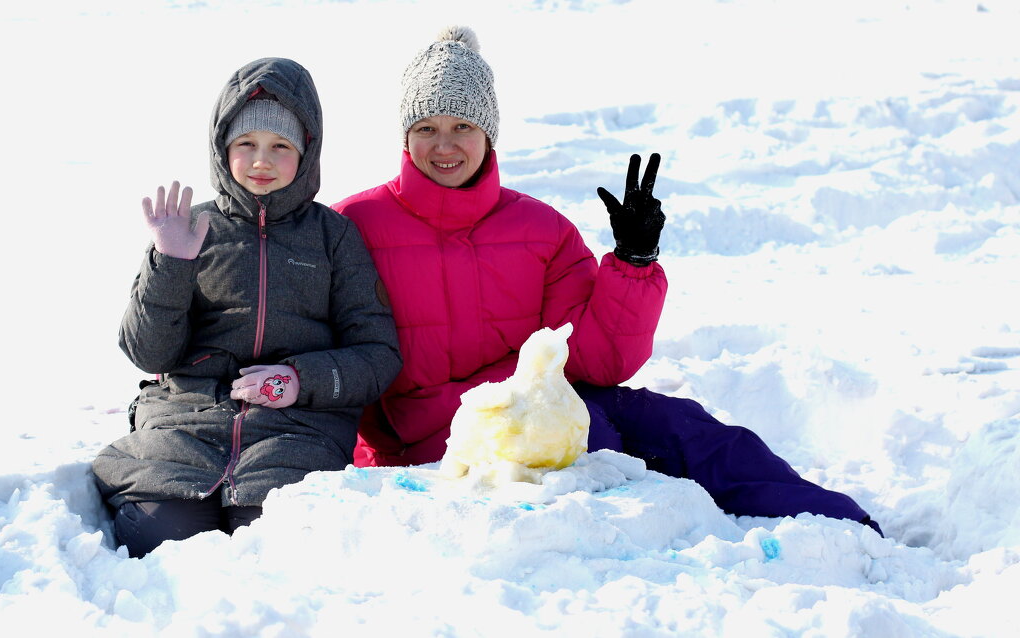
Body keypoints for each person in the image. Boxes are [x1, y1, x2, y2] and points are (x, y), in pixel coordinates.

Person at [334, 27, 881, 534]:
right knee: (606, 447)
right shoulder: (352, 226)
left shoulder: (540, 229)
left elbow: (599, 362)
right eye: (426, 128)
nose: (444, 145)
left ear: (489, 133)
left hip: (551, 404)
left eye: (462, 127)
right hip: (433, 437)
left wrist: (633, 264)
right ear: (406, 136)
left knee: (685, 428)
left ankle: (841, 529)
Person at [92, 57, 402, 558]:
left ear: (307, 153)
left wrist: (300, 380)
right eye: (247, 145)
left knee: (270, 542)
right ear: (223, 149)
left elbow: (378, 353)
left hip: (296, 432)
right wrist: (170, 263)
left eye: (281, 146)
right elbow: (149, 353)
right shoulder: (190, 229)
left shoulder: (333, 236)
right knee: (161, 535)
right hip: (184, 427)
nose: (262, 160)